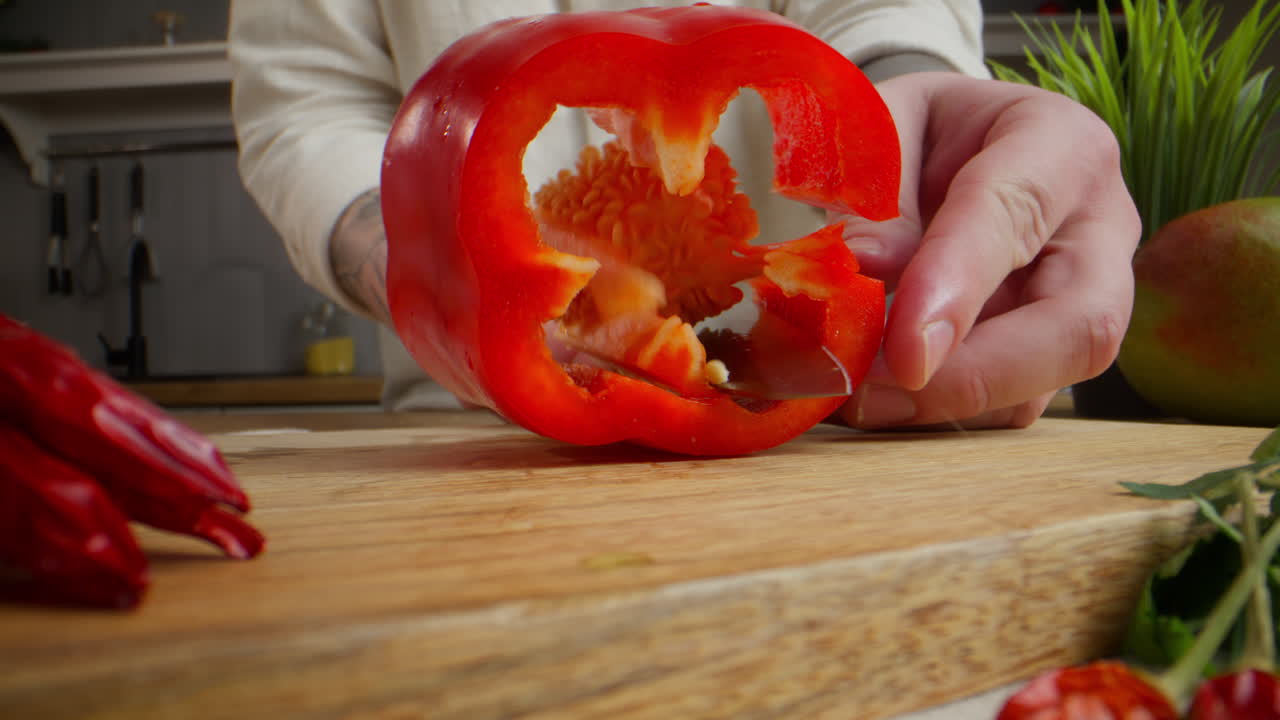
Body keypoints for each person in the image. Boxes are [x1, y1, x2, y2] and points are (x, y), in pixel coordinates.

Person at [227, 0, 1140, 431]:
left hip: (826, 419)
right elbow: (308, 104)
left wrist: (914, 113)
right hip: (474, 429)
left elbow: (882, 14)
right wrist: (452, 290)